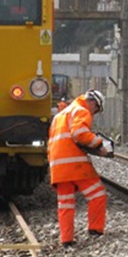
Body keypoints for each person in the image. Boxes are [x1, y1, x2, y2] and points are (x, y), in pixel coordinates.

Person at [47, 89, 110, 247]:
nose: (94, 113)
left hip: (58, 167)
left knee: (65, 203)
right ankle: (95, 230)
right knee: (97, 194)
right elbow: (80, 134)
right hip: (75, 164)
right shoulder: (81, 111)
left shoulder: (60, 115)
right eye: (97, 110)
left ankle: (66, 239)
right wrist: (99, 144)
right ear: (94, 103)